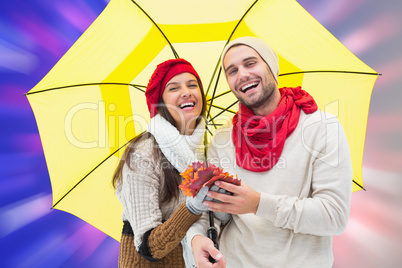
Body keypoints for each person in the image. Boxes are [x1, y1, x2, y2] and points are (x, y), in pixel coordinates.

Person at [187, 37, 353, 268]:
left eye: (251, 63)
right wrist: (196, 238)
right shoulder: (222, 140)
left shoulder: (322, 128)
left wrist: (258, 204)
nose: (242, 74)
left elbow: (334, 216)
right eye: (232, 70)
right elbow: (210, 211)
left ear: (272, 68)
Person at [112, 58, 213, 267]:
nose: (186, 91)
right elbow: (149, 247)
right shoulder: (143, 154)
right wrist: (193, 207)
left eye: (192, 85)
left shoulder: (207, 149)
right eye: (174, 88)